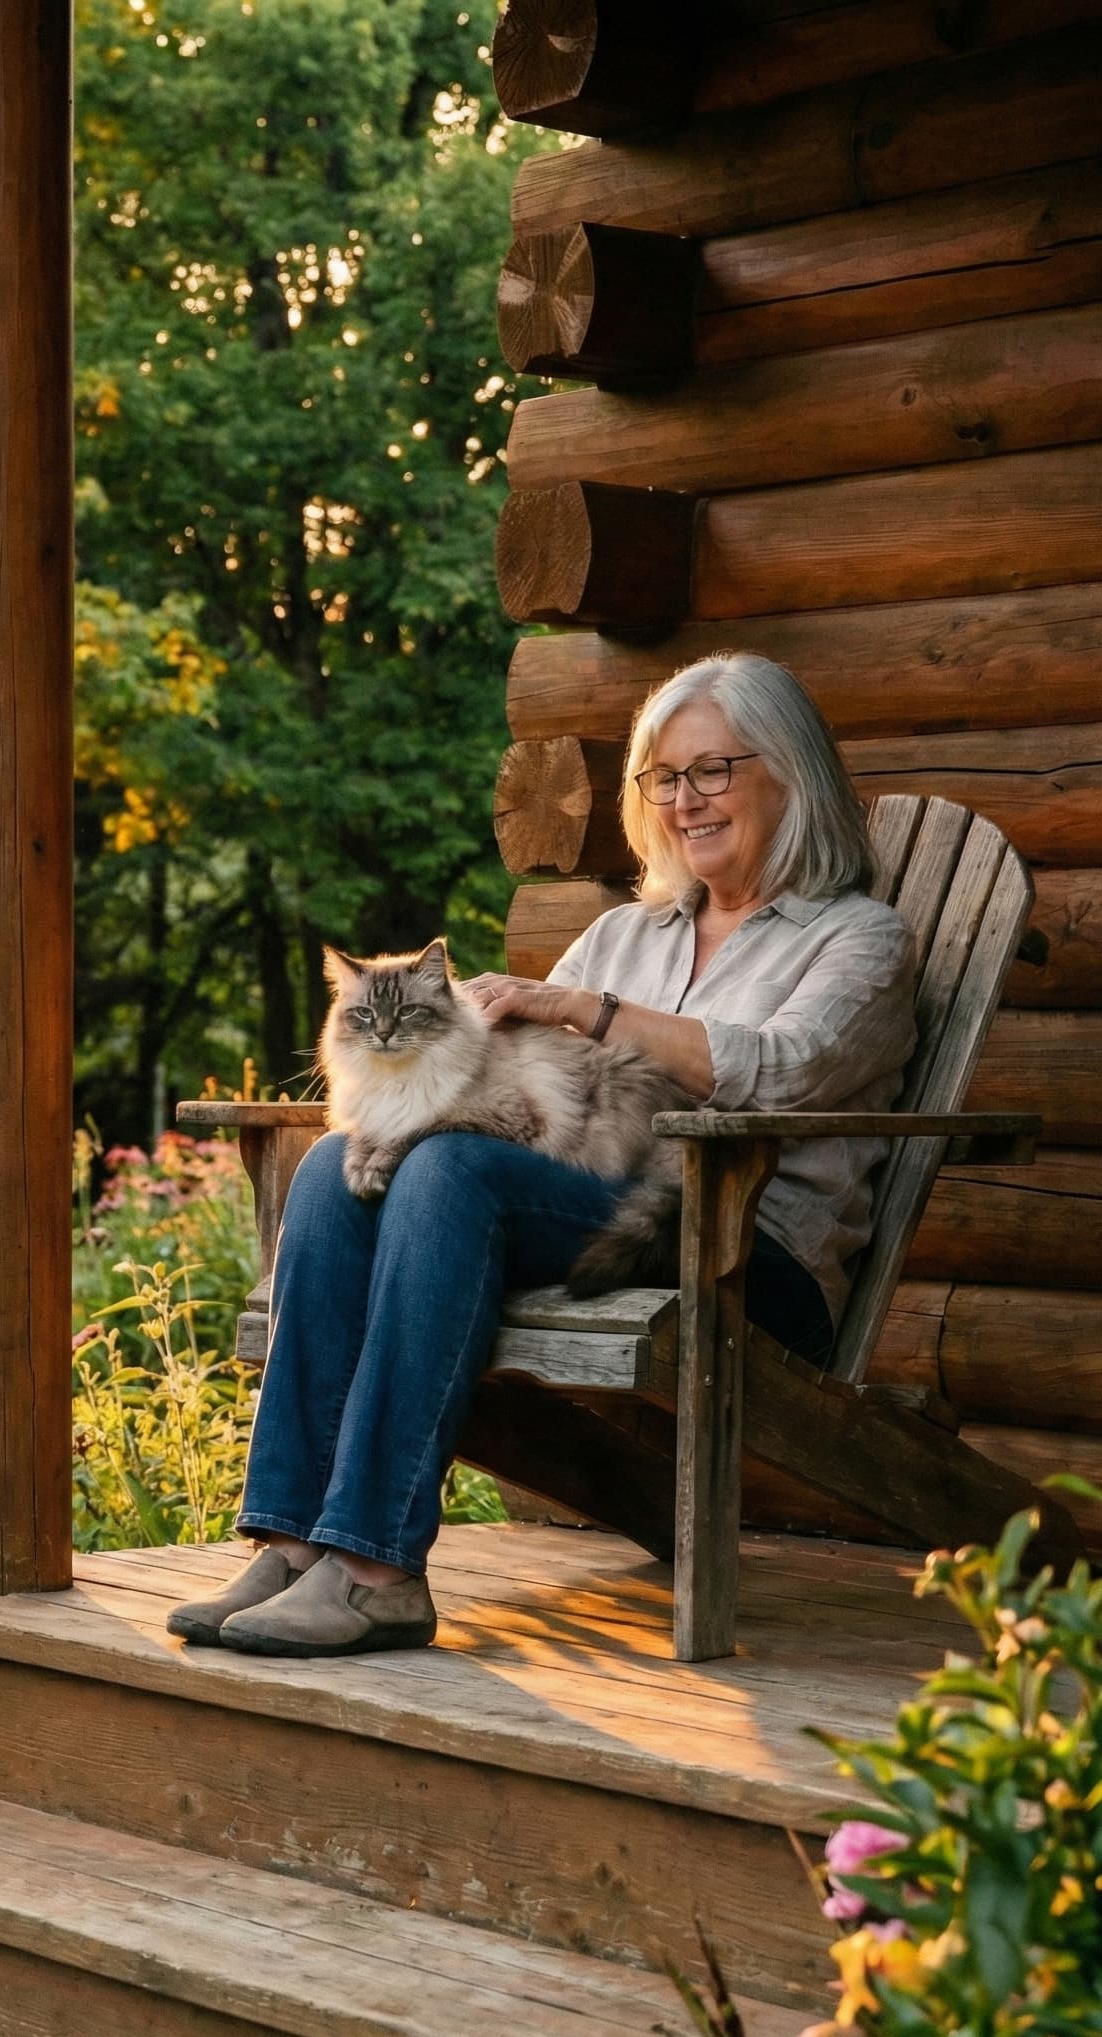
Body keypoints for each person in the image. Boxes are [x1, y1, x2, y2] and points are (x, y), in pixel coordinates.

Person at [168, 651, 916, 1659]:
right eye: (662, 777)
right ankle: (296, 1541)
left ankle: (375, 1572)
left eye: (712, 770)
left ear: (785, 771)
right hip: (588, 1202)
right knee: (335, 1166)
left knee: (445, 1172)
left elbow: (781, 1070)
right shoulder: (625, 931)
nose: (684, 799)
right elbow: (508, 1072)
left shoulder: (858, 940)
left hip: (741, 1251)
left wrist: (583, 1008)